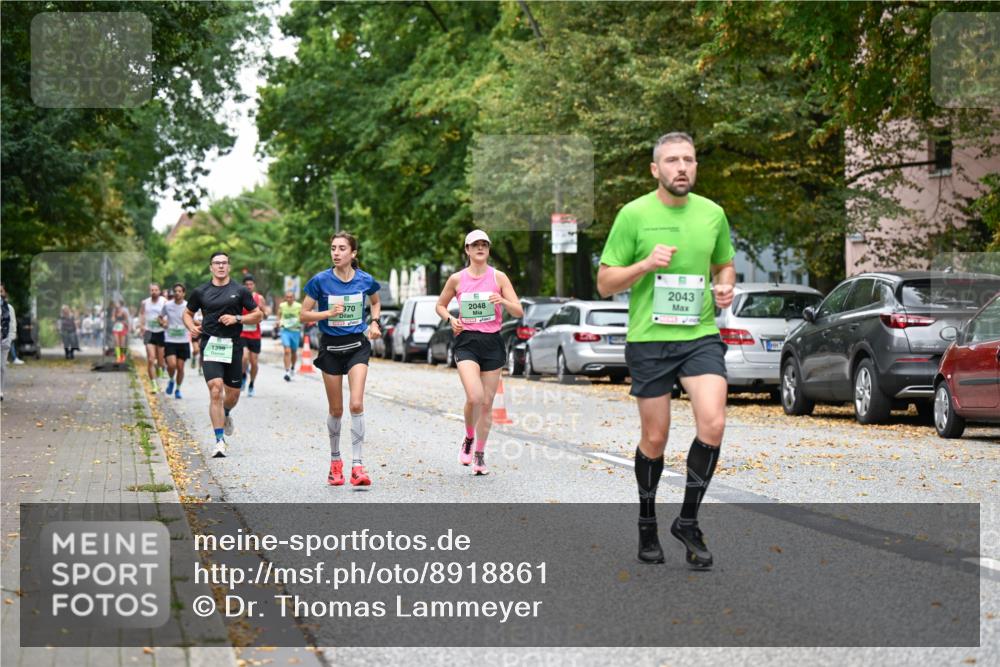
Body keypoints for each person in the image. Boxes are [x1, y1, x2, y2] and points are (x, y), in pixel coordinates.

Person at [596, 131, 736, 569]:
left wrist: (726, 284)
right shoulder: (633, 215)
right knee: (655, 438)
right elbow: (604, 284)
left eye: (689, 160)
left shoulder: (713, 214)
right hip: (650, 339)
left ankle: (688, 522)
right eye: (672, 160)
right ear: (656, 169)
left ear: (696, 166)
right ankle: (646, 521)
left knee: (712, 422)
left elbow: (724, 262)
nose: (682, 167)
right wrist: (643, 265)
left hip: (699, 334)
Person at [435, 230, 523, 476]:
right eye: (475, 245)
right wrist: (450, 319)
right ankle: (469, 437)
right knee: (474, 397)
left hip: (492, 342)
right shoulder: (457, 279)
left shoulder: (499, 277)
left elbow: (518, 311)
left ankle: (480, 455)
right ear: (467, 250)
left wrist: (502, 301)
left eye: (484, 244)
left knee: (486, 403)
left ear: (489, 249)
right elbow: (440, 305)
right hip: (467, 341)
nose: (480, 248)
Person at [300, 232, 381, 487]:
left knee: (356, 404)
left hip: (357, 345)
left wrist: (375, 322)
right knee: (336, 410)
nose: (336, 252)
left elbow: (375, 301)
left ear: (353, 253)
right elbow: (304, 314)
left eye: (342, 248)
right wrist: (327, 313)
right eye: (333, 248)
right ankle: (336, 462)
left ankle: (358, 466)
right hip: (331, 349)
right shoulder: (320, 281)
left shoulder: (365, 280)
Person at [184, 251, 263, 458]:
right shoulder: (200, 291)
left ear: (229, 266)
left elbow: (258, 315)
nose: (220, 266)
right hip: (210, 344)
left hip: (233, 346)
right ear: (211, 267)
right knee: (215, 390)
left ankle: (226, 413)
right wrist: (191, 326)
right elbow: (187, 313)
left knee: (233, 395)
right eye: (216, 263)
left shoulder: (240, 290)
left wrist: (237, 318)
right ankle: (219, 441)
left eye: (224, 263)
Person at [238, 274, 269, 397]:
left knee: (254, 362)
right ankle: (243, 375)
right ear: (243, 286)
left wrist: (262, 310)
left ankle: (251, 384)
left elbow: (265, 315)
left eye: (251, 284)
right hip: (242, 334)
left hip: (255, 335)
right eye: (246, 285)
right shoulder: (239, 298)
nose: (249, 286)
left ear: (254, 285)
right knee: (244, 358)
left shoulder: (259, 298)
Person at [163, 283, 191, 399]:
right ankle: (171, 380)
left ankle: (178, 389)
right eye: (175, 291)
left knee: (180, 367)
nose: (177, 293)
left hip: (183, 341)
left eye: (180, 291)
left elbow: (193, 319)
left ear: (184, 293)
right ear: (173, 293)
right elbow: (161, 317)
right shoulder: (167, 305)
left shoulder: (188, 306)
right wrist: (163, 323)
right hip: (170, 340)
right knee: (172, 365)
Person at [139, 284, 169, 387]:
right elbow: (142, 314)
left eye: (156, 290)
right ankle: (153, 384)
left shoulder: (164, 301)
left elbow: (168, 315)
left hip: (161, 332)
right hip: (148, 332)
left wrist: (164, 323)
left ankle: (161, 368)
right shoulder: (145, 302)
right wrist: (141, 326)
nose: (154, 292)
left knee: (160, 360)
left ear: (159, 291)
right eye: (152, 290)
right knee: (151, 359)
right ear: (149, 291)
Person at [276, 290, 303, 381]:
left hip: (295, 331)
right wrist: (278, 322)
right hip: (285, 330)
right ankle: (287, 371)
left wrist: (300, 320)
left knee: (294, 352)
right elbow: (279, 315)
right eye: (287, 297)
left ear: (294, 298)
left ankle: (292, 367)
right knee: (287, 351)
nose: (289, 299)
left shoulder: (298, 306)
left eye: (291, 297)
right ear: (285, 298)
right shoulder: (282, 305)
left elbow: (302, 316)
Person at [1, 283, 16, 400]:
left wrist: (10, 339)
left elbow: (12, 325)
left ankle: (0, 390)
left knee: (1, 367)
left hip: (3, 341)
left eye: (1, 291)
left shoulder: (9, 308)